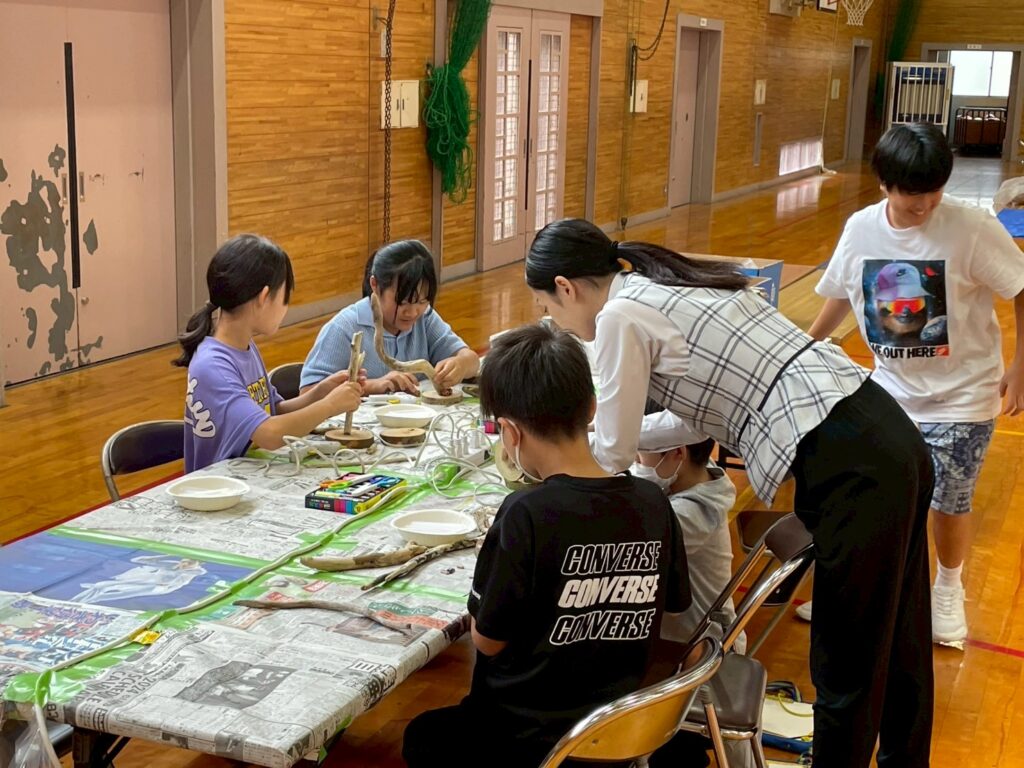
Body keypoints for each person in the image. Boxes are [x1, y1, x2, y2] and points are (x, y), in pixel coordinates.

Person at [525, 217, 935, 768]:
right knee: (902, 640)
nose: (558, 322)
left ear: (566, 288)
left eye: (548, 308)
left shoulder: (620, 315)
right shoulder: (666, 285)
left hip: (849, 460)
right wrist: (599, 434)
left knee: (847, 661)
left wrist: (560, 452)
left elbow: (615, 455)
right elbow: (696, 419)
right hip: (881, 433)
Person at [402, 324, 694, 768]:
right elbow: (672, 605)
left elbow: (487, 642)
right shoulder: (653, 501)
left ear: (509, 433)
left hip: (524, 739)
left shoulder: (526, 512)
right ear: (591, 407)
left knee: (422, 736)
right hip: (618, 730)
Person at [809, 123, 1024, 644]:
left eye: (935, 193)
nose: (925, 206)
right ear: (884, 183)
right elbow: (841, 291)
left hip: (963, 396)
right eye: (912, 197)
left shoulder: (972, 227)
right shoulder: (861, 228)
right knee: (874, 499)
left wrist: (1021, 365)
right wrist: (806, 345)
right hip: (888, 393)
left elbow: (1021, 287)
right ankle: (860, 589)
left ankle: (948, 587)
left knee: (949, 499)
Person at [174, 234, 362, 472]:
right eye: (285, 298)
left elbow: (274, 411)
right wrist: (330, 406)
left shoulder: (245, 346)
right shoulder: (212, 365)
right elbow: (269, 433)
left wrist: (321, 392)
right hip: (220, 486)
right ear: (264, 297)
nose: (285, 308)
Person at [300, 240, 479, 395]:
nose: (412, 312)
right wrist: (372, 386)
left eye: (422, 301)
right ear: (375, 285)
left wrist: (461, 364)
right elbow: (307, 393)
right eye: (403, 302)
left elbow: (471, 360)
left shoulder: (425, 318)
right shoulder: (344, 328)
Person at [634, 409, 744, 654]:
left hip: (700, 648)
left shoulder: (690, 515)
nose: (635, 463)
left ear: (677, 453)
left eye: (639, 455)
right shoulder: (697, 473)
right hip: (684, 636)